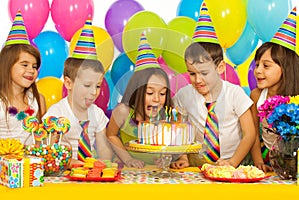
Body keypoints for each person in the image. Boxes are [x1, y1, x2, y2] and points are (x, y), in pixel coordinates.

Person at [171, 2, 256, 169]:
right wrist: (183, 157)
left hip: (232, 165)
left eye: (204, 73)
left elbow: (249, 134)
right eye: (192, 73)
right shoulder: (183, 95)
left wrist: (232, 162)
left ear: (220, 68)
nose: (197, 80)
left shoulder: (234, 93)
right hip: (197, 166)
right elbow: (180, 131)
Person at [43, 18, 113, 165]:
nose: (94, 92)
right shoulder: (56, 113)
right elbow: (48, 150)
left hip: (88, 173)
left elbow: (104, 148)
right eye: (87, 85)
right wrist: (70, 162)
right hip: (63, 174)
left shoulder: (98, 114)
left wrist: (102, 160)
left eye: (98, 86)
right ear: (68, 83)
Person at [106, 33, 172, 168]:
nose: (157, 99)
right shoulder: (123, 111)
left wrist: (165, 158)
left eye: (162, 93)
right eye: (150, 92)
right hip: (129, 170)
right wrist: (128, 159)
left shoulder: (165, 114)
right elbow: (111, 135)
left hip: (154, 172)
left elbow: (170, 143)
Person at [250, 7, 299, 172]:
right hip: (266, 156)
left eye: (266, 66)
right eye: (257, 65)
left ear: (284, 68)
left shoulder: (296, 99)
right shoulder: (256, 96)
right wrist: (258, 162)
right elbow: (254, 135)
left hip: (293, 160)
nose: (258, 71)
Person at [0, 10, 46, 144]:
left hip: (30, 164)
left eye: (34, 66)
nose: (31, 70)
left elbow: (41, 139)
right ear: (7, 65)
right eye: (24, 65)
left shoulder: (37, 100)